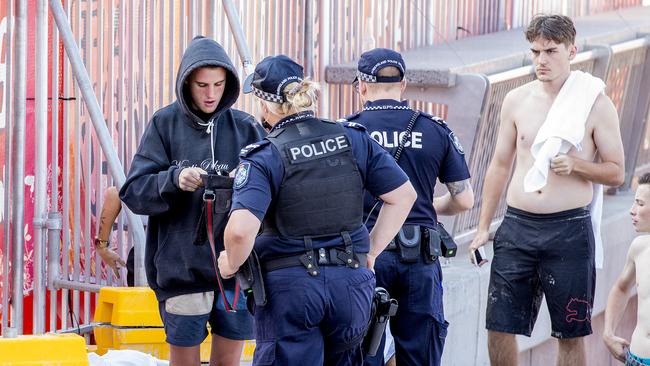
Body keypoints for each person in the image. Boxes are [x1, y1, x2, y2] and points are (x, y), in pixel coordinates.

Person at [217, 54, 417, 365]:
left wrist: (230, 261)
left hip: (292, 291)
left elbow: (241, 231)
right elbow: (403, 195)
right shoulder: (352, 137)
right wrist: (372, 253)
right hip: (351, 286)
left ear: (266, 105)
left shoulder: (264, 156)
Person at [469, 14, 625, 366]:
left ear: (572, 50)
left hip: (569, 230)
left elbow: (617, 172)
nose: (541, 60)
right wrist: (481, 229)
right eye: (535, 51)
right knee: (499, 326)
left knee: (569, 333)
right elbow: (499, 165)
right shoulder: (516, 100)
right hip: (518, 226)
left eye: (550, 51)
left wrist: (578, 165)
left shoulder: (596, 104)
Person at [119, 36, 266, 366]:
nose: (211, 94)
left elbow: (275, 191)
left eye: (218, 84)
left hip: (237, 269)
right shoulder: (164, 123)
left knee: (228, 362)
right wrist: (173, 179)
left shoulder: (245, 127)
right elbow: (133, 191)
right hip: (180, 271)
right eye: (202, 85)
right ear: (187, 82)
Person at [347, 48, 474, 366]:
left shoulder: (347, 132)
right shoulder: (434, 129)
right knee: (420, 355)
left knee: (362, 353)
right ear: (403, 85)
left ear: (361, 86)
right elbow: (464, 200)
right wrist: (428, 205)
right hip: (420, 257)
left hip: (366, 257)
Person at [603, 173, 650, 366]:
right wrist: (608, 333)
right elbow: (621, 288)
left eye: (640, 203)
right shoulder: (639, 248)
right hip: (637, 360)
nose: (632, 210)